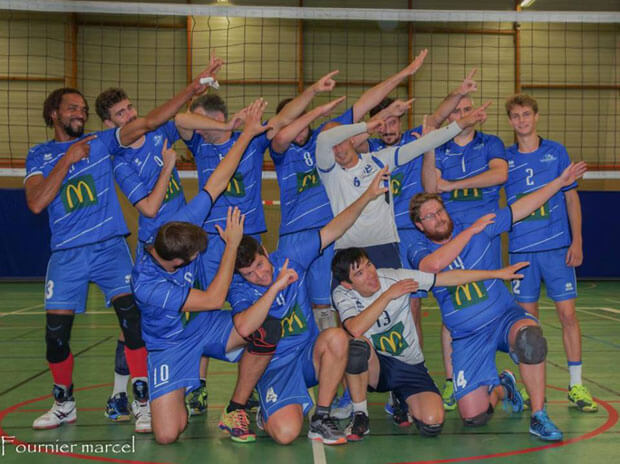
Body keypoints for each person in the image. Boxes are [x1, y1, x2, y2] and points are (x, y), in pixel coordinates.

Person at [24, 68, 215, 433]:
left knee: (133, 322)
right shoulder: (40, 154)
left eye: (82, 108)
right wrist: (67, 159)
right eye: (72, 108)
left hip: (111, 248)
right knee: (55, 335)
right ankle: (64, 402)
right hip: (67, 253)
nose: (79, 113)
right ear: (54, 113)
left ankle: (142, 401)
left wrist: (192, 87)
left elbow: (149, 122)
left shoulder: (103, 142)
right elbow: (36, 202)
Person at [407, 159, 587, 441]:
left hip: (504, 318)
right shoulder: (418, 248)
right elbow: (432, 266)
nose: (439, 217)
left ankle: (538, 415)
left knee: (531, 340)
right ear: (419, 225)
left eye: (440, 210)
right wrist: (471, 232)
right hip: (468, 337)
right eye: (430, 216)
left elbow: (521, 208)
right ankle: (504, 386)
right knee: (474, 417)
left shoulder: (481, 225)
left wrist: (558, 183)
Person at [132, 99, 278, 445]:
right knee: (168, 434)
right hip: (168, 345)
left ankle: (238, 405)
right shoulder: (148, 285)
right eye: (197, 254)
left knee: (265, 325)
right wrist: (231, 245)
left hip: (201, 329)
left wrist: (245, 135)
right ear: (178, 263)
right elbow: (213, 299)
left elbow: (218, 179)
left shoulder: (175, 228)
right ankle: (179, 388)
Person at [94, 59, 233, 418]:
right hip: (157, 250)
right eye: (120, 114)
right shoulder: (121, 162)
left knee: (201, 309)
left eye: (130, 108)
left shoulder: (157, 135)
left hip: (188, 237)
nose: (129, 115)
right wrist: (169, 166)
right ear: (110, 125)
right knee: (134, 326)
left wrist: (226, 125)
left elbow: (181, 120)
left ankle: (197, 390)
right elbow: (151, 207)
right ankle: (120, 395)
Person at [269, 51, 429, 333]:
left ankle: (333, 351)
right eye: (297, 122)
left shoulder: (329, 140)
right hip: (292, 238)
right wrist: (315, 106)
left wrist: (405, 74)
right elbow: (281, 135)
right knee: (288, 304)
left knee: (325, 305)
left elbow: (365, 102)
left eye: (307, 123)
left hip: (329, 233)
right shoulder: (283, 152)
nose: (302, 129)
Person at [229, 168, 390, 445]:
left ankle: (320, 419)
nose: (259, 276)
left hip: (308, 357)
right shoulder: (240, 289)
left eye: (259, 265)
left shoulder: (289, 257)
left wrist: (367, 196)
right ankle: (268, 410)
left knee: (338, 337)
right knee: (286, 434)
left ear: (266, 253)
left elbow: (335, 228)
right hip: (274, 366)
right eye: (249, 274)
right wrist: (276, 287)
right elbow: (244, 326)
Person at [331, 247, 529, 441]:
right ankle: (360, 415)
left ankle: (400, 396)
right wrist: (388, 295)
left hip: (409, 365)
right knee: (355, 345)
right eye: (359, 273)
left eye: (369, 265)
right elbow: (355, 327)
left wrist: (494, 273)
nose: (370, 274)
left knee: (432, 424)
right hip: (376, 365)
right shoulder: (343, 293)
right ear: (348, 284)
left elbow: (445, 278)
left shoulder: (394, 277)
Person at [504, 94, 597, 412]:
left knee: (568, 316)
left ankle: (576, 386)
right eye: (515, 116)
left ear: (537, 116)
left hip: (557, 248)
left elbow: (572, 199)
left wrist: (577, 241)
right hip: (522, 252)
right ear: (510, 120)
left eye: (526, 114)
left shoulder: (556, 151)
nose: (521, 120)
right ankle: (530, 389)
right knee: (527, 324)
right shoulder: (504, 158)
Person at [426, 93, 509, 411]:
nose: (461, 115)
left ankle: (491, 379)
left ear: (478, 115)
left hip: (483, 235)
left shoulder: (491, 143)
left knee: (488, 305)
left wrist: (452, 186)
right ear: (449, 118)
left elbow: (499, 175)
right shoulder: (439, 146)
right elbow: (430, 185)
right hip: (448, 239)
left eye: (467, 110)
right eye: (456, 111)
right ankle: (452, 381)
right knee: (453, 308)